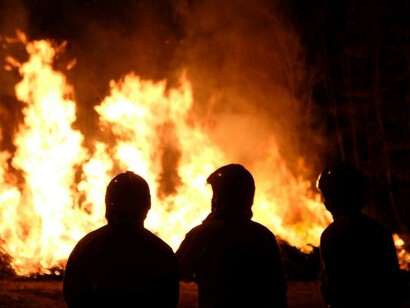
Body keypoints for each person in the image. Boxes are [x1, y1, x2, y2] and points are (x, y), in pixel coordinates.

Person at [176, 163, 287, 307]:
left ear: (220, 197)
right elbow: (278, 289)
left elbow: (177, 270)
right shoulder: (263, 236)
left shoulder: (203, 234)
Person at [63, 171, 179, 307]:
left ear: (108, 205)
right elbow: (168, 300)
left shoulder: (87, 247)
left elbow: (73, 296)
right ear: (146, 207)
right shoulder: (161, 253)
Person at [316, 161, 407, 308]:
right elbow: (393, 287)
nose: (325, 203)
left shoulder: (332, 235)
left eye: (326, 195)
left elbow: (333, 289)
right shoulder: (380, 232)